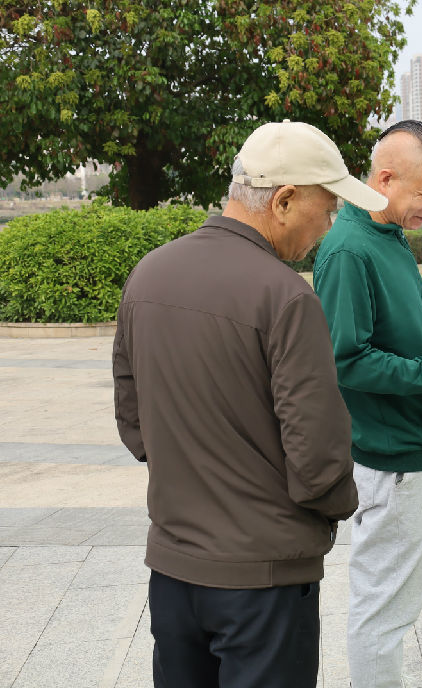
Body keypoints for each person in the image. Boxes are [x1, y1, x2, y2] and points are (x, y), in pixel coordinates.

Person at [113, 120, 385, 688]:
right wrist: (337, 506)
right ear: (284, 201)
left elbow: (134, 423)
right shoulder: (285, 296)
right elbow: (317, 456)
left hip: (174, 569)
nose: (328, 225)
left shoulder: (148, 275)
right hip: (264, 580)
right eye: (328, 208)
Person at [313, 119, 422, 688]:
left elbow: (400, 333)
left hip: (408, 442)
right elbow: (346, 361)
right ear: (385, 179)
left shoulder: (385, 234)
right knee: (385, 607)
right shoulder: (350, 250)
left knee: (392, 600)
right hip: (389, 452)